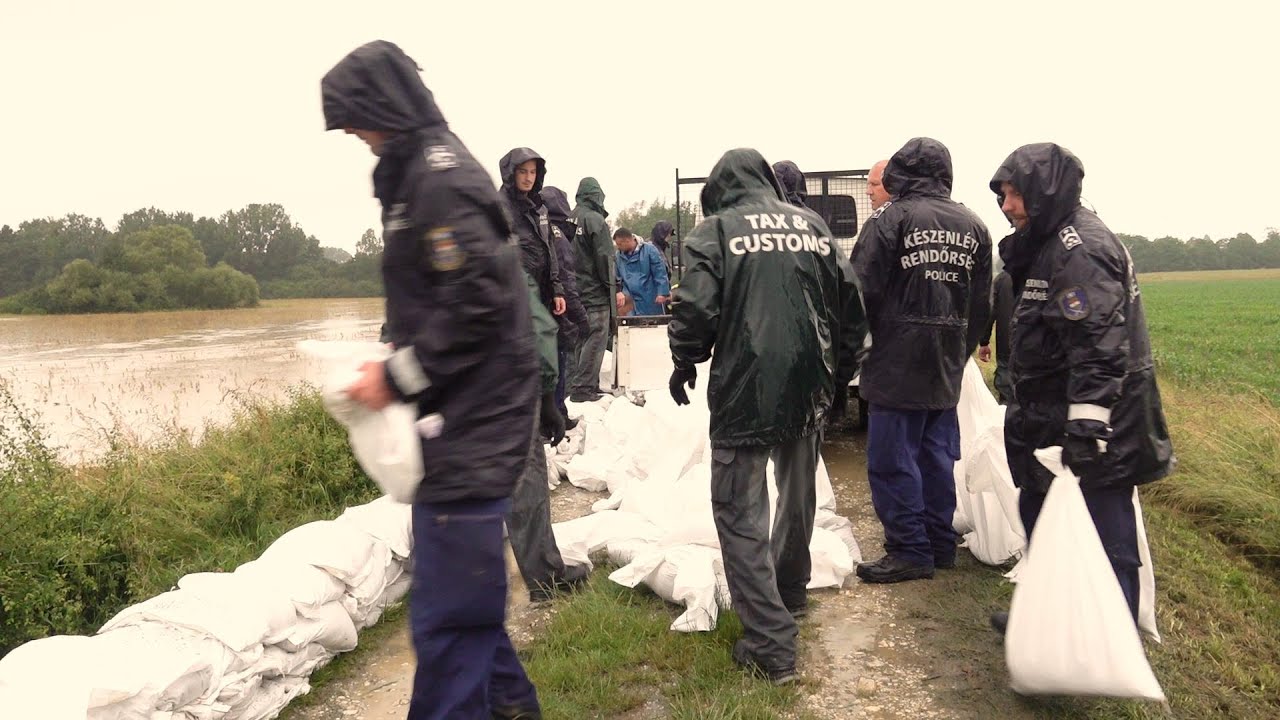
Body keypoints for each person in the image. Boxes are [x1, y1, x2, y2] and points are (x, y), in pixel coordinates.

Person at [323, 39, 547, 720]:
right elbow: (441, 295)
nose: (355, 138)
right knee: (463, 602)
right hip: (465, 415)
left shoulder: (439, 179)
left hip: (476, 422)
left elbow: (477, 303)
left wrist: (396, 376)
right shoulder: (418, 171)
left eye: (354, 122)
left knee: (448, 621)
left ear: (379, 106)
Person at [669, 148, 867, 685]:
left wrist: (684, 358)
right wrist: (837, 373)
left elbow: (693, 309)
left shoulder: (717, 231)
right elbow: (851, 305)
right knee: (798, 492)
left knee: (738, 510)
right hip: (807, 383)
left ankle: (770, 642)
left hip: (745, 387)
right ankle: (790, 593)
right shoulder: (814, 226)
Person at [988, 143, 1174, 632]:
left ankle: (1108, 638)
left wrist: (1087, 427)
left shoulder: (1080, 249)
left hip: (1095, 424)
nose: (1006, 206)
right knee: (1042, 512)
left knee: (1103, 533)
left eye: (1015, 194)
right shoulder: (1046, 245)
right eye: (1003, 195)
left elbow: (1097, 342)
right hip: (1048, 414)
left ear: (1044, 193)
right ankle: (1046, 619)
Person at [851, 137, 992, 584]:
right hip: (947, 361)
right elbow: (982, 304)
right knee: (935, 455)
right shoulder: (975, 226)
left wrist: (851, 353)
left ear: (902, 173)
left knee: (894, 459)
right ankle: (938, 542)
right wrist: (960, 351)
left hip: (896, 359)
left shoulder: (888, 219)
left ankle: (910, 549)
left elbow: (858, 292)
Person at [541, 186, 590, 423]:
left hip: (542, 309)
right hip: (558, 313)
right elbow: (567, 281)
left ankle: (555, 413)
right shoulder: (558, 237)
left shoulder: (539, 230)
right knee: (559, 363)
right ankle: (558, 414)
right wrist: (581, 317)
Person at [499, 148, 566, 318]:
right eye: (523, 172)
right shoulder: (500, 208)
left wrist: (557, 290)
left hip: (542, 296)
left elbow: (550, 249)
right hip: (513, 297)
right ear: (512, 173)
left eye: (533, 172)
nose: (528, 178)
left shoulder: (540, 209)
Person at [567, 177, 613, 402]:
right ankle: (584, 387)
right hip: (595, 292)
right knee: (596, 336)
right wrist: (613, 287)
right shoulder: (595, 220)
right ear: (597, 195)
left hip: (574, 292)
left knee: (581, 338)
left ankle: (583, 383)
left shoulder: (569, 217)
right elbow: (605, 259)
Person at [977, 269, 1015, 402]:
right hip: (1036, 350)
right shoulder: (1045, 272)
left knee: (1006, 397)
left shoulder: (1002, 279)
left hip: (1006, 346)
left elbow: (990, 311)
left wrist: (984, 342)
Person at [614, 227, 671, 316]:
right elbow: (616, 277)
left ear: (628, 240)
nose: (618, 247)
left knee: (653, 326)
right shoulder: (618, 256)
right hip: (629, 301)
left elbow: (660, 272)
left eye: (620, 244)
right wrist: (618, 291)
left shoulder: (650, 250)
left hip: (650, 297)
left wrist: (662, 293)